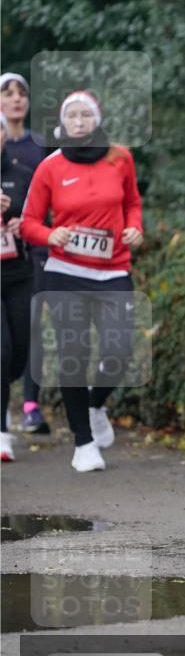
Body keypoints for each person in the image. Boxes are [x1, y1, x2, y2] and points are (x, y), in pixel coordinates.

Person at [20, 90, 143, 472]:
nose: (78, 122)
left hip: (112, 270)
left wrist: (135, 228)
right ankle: (83, 443)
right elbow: (28, 222)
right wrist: (48, 236)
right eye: (71, 116)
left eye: (84, 115)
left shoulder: (120, 157)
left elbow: (132, 203)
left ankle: (94, 403)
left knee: (120, 350)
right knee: (73, 357)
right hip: (65, 272)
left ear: (96, 119)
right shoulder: (51, 166)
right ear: (62, 122)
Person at [0, 71, 51, 434]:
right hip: (6, 260)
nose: (17, 99)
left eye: (22, 93)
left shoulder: (39, 146)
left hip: (35, 248)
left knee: (31, 326)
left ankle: (31, 403)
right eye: (8, 93)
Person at [1, 113, 35, 461]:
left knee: (19, 353)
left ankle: (5, 393)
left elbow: (42, 220)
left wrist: (19, 219)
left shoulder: (23, 176)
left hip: (20, 274)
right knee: (1, 351)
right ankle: (2, 431)